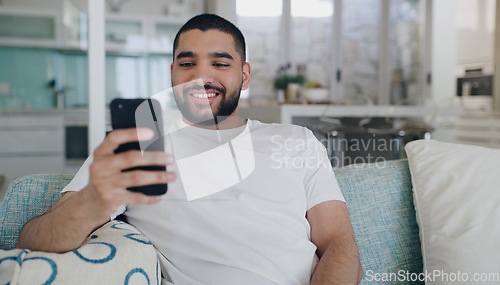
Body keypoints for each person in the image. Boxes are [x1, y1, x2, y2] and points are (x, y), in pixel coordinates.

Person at [17, 14, 362, 284]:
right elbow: (33, 241)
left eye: (220, 63)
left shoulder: (297, 140)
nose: (201, 76)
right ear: (171, 73)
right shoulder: (140, 141)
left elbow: (338, 245)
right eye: (187, 63)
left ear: (245, 75)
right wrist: (93, 202)